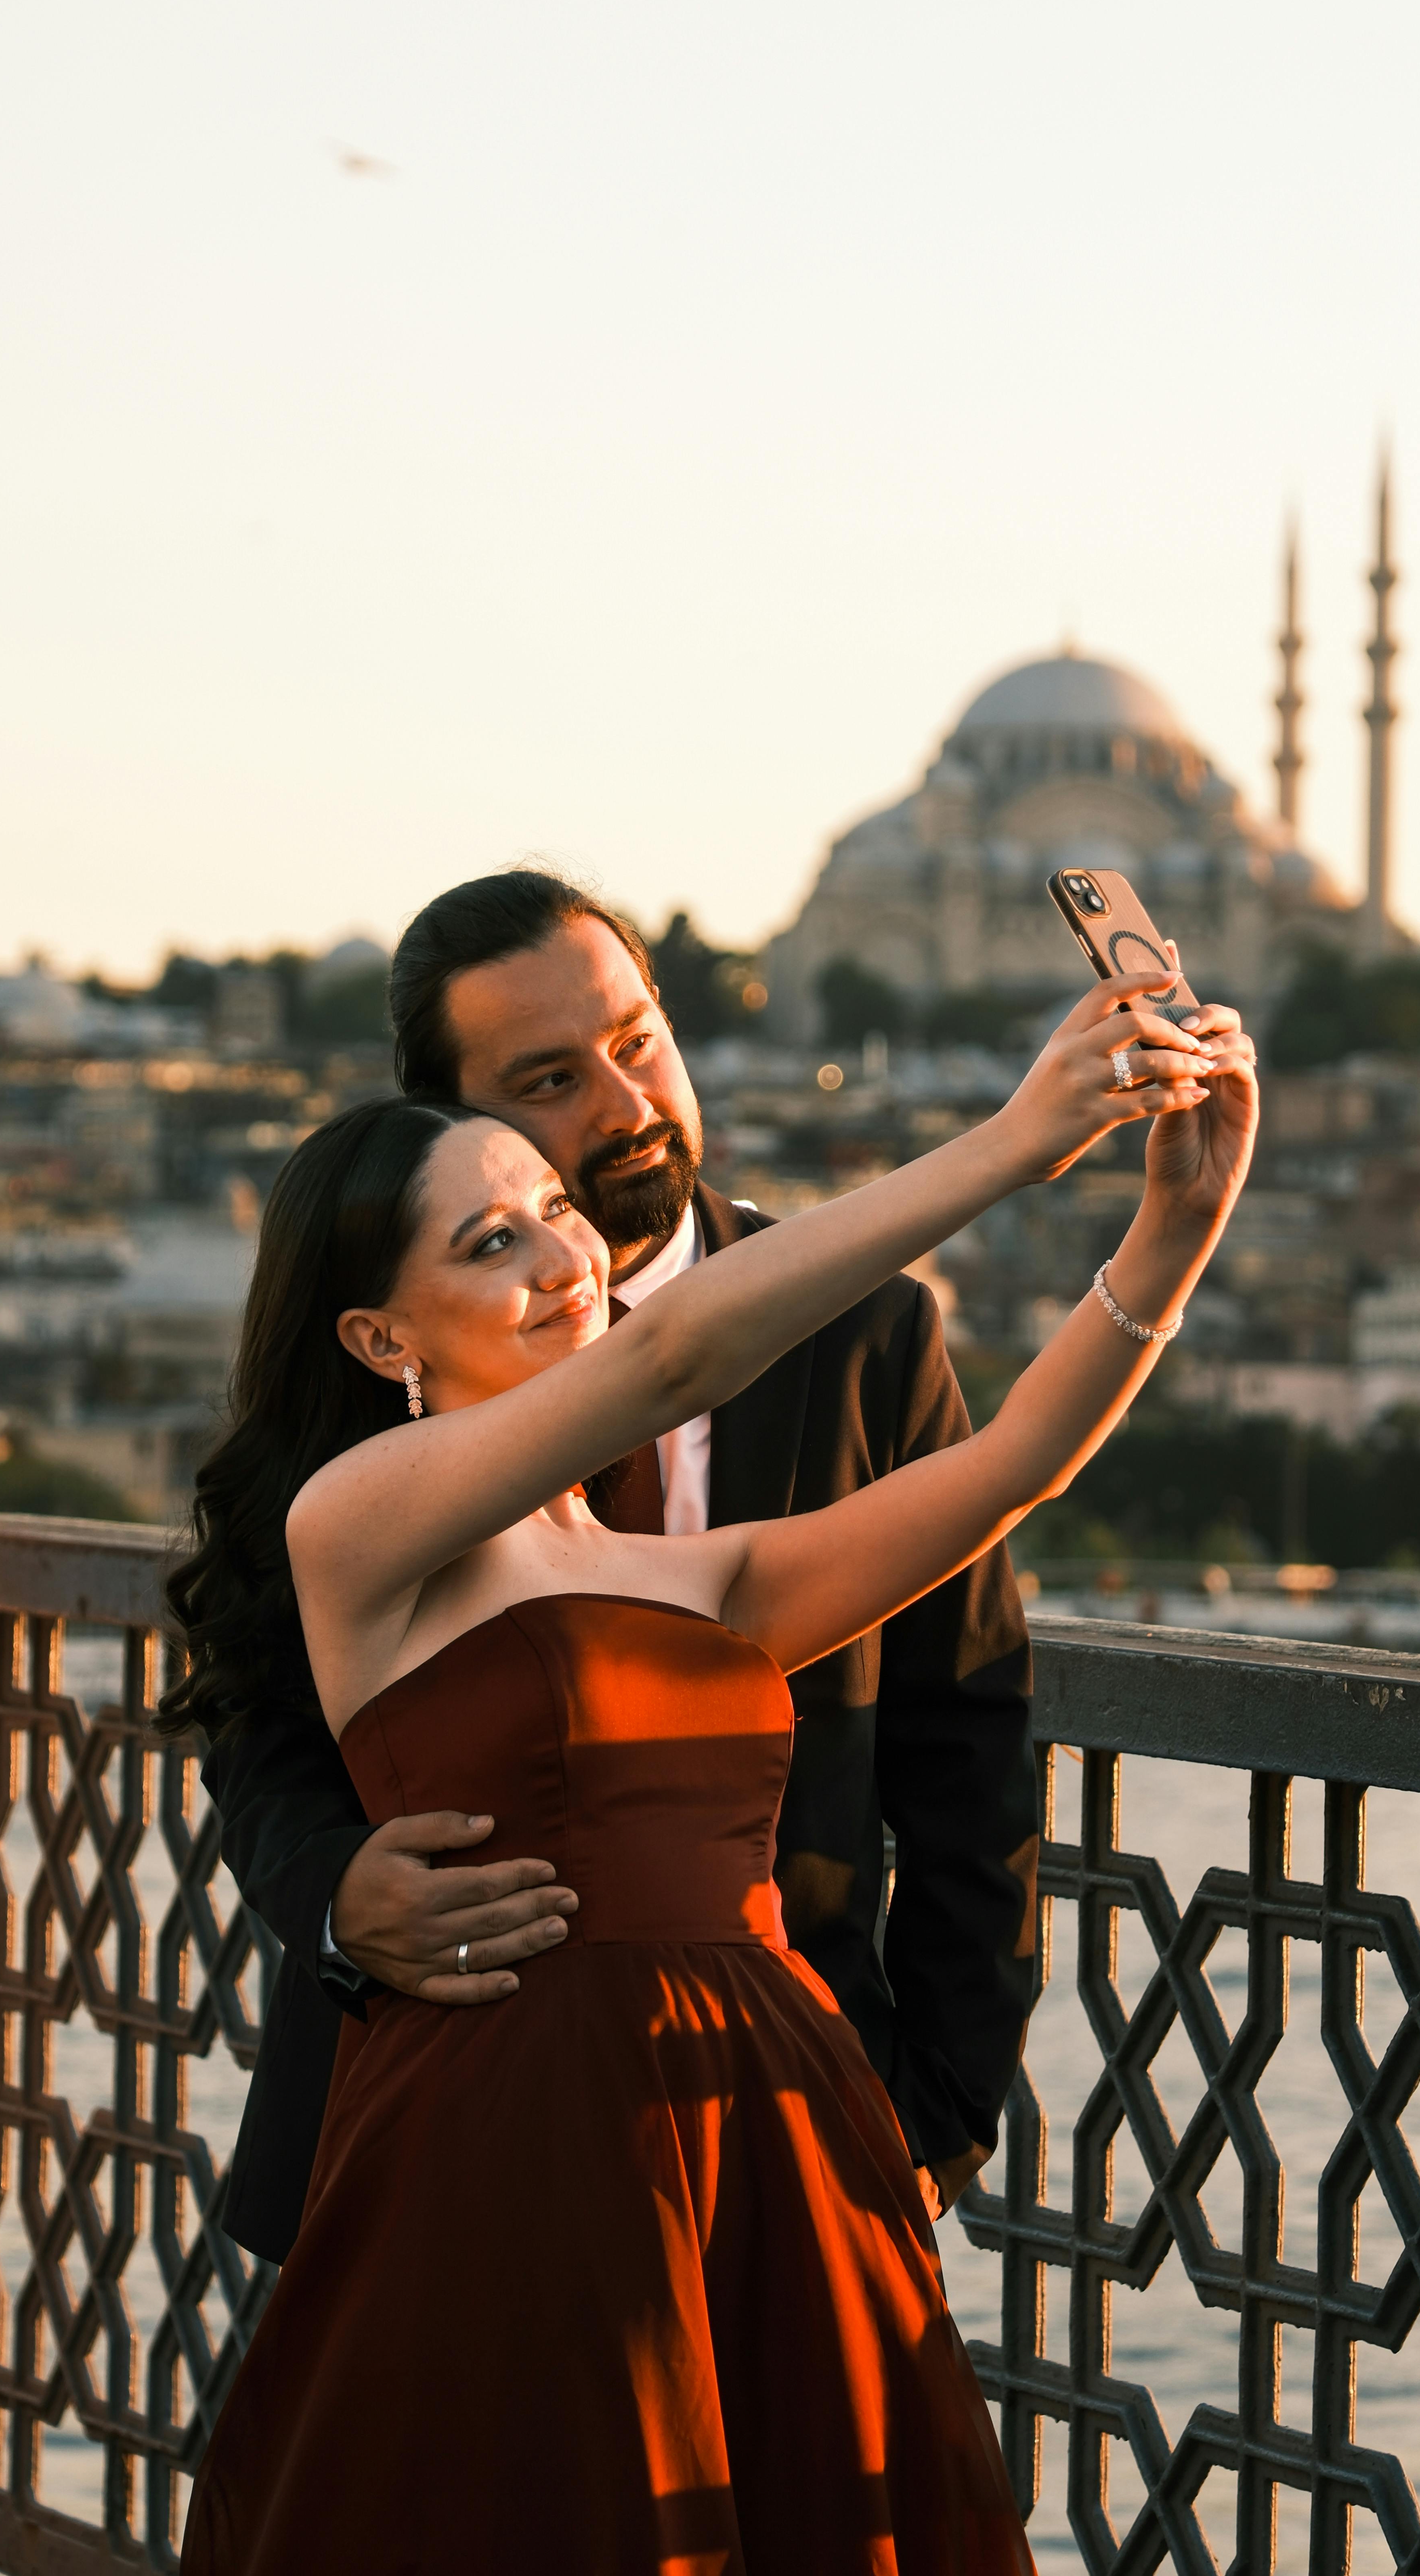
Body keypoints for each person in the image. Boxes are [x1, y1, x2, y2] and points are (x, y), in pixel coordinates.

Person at [166, 967, 1256, 2573]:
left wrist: (1175, 1227)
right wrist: (1015, 1143)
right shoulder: (354, 1525)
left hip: (764, 2120)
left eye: (553, 1213)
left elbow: (1008, 1465)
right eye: (491, 1243)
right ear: (377, 1336)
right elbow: (668, 1363)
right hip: (515, 2139)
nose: (565, 1258)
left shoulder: (688, 1579)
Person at [206, 873, 1047, 2257]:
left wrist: (935, 2116)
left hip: (784, 2108)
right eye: (549, 1077)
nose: (624, 1103)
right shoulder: (377, 1395)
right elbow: (258, 1710)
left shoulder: (869, 1336)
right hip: (439, 2105)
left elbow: (968, 1740)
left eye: (637, 1040)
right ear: (450, 1116)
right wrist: (340, 1898)